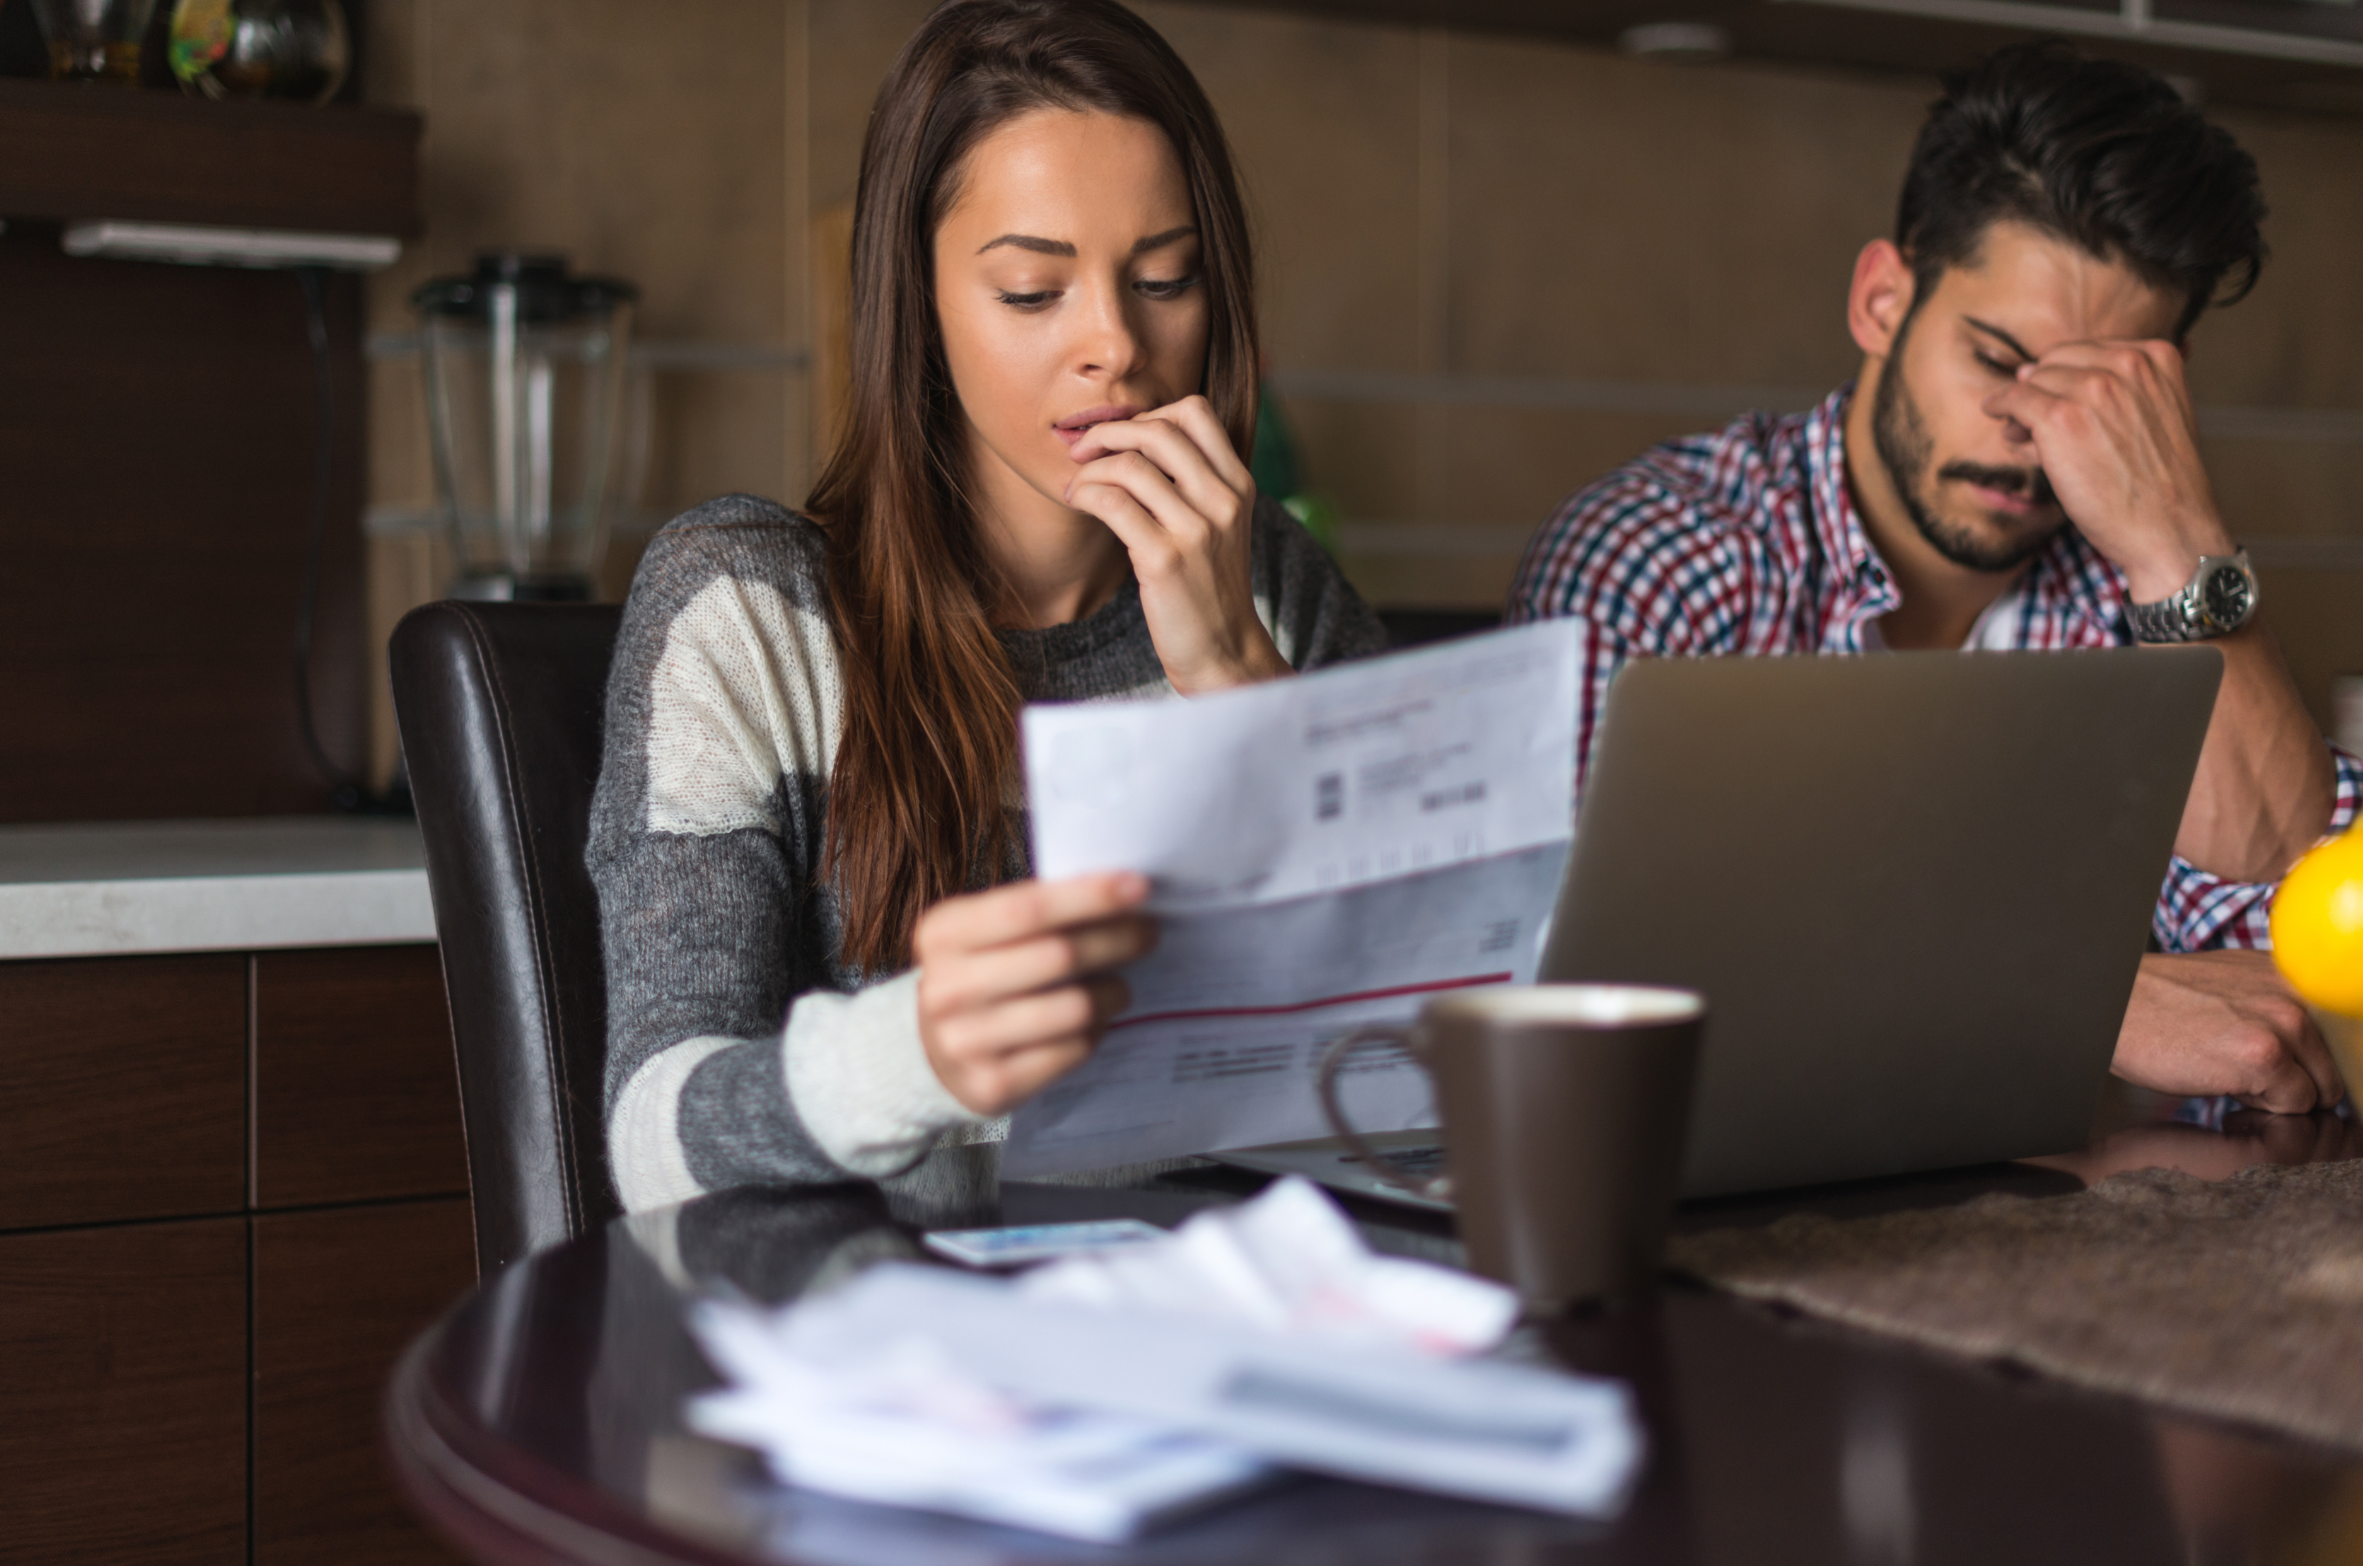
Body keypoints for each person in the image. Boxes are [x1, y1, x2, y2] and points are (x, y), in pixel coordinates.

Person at [588, 0, 1386, 1210]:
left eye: (1164, 278)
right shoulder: (749, 609)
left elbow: (1421, 1063)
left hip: (1220, 1323)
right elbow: (654, 1141)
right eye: (1031, 291)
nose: (1114, 344)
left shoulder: (1270, 586)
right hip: (888, 1346)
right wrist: (914, 1057)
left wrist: (1233, 673)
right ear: (919, 303)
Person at [1508, 42, 2357, 1114]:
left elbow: (2317, 988)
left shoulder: (2138, 592)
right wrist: (2085, 999)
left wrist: (2177, 545)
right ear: (1879, 300)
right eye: (1998, 361)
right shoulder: (1664, 557)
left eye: (2096, 392)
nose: (2030, 431)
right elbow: (1567, 999)